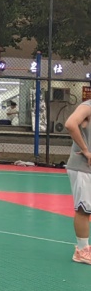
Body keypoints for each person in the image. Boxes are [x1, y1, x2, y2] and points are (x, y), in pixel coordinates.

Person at [62, 99, 91, 264]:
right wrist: (86, 150)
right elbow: (70, 124)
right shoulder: (88, 107)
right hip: (82, 167)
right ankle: (81, 250)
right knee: (83, 209)